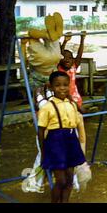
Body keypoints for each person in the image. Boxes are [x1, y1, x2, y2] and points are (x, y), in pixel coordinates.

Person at [38, 71, 87, 203]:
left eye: (65, 85)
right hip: (55, 143)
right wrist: (43, 152)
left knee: (70, 179)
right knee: (61, 180)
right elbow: (41, 130)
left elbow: (83, 111)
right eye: (58, 85)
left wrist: (71, 97)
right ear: (51, 87)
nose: (62, 88)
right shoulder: (47, 107)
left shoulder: (71, 104)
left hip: (71, 141)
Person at [21, 12, 64, 109]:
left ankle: (50, 35)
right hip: (49, 61)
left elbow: (23, 64)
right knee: (33, 36)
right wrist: (23, 45)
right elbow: (23, 64)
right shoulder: (47, 88)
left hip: (50, 61)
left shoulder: (35, 85)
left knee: (33, 35)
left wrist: (23, 45)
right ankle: (49, 35)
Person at [58, 31, 87, 111]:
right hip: (64, 95)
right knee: (73, 109)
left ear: (73, 60)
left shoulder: (73, 67)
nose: (67, 59)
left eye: (70, 58)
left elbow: (79, 54)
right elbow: (59, 53)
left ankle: (82, 114)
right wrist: (65, 41)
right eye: (64, 57)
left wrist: (82, 39)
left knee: (78, 110)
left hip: (74, 94)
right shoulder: (60, 69)